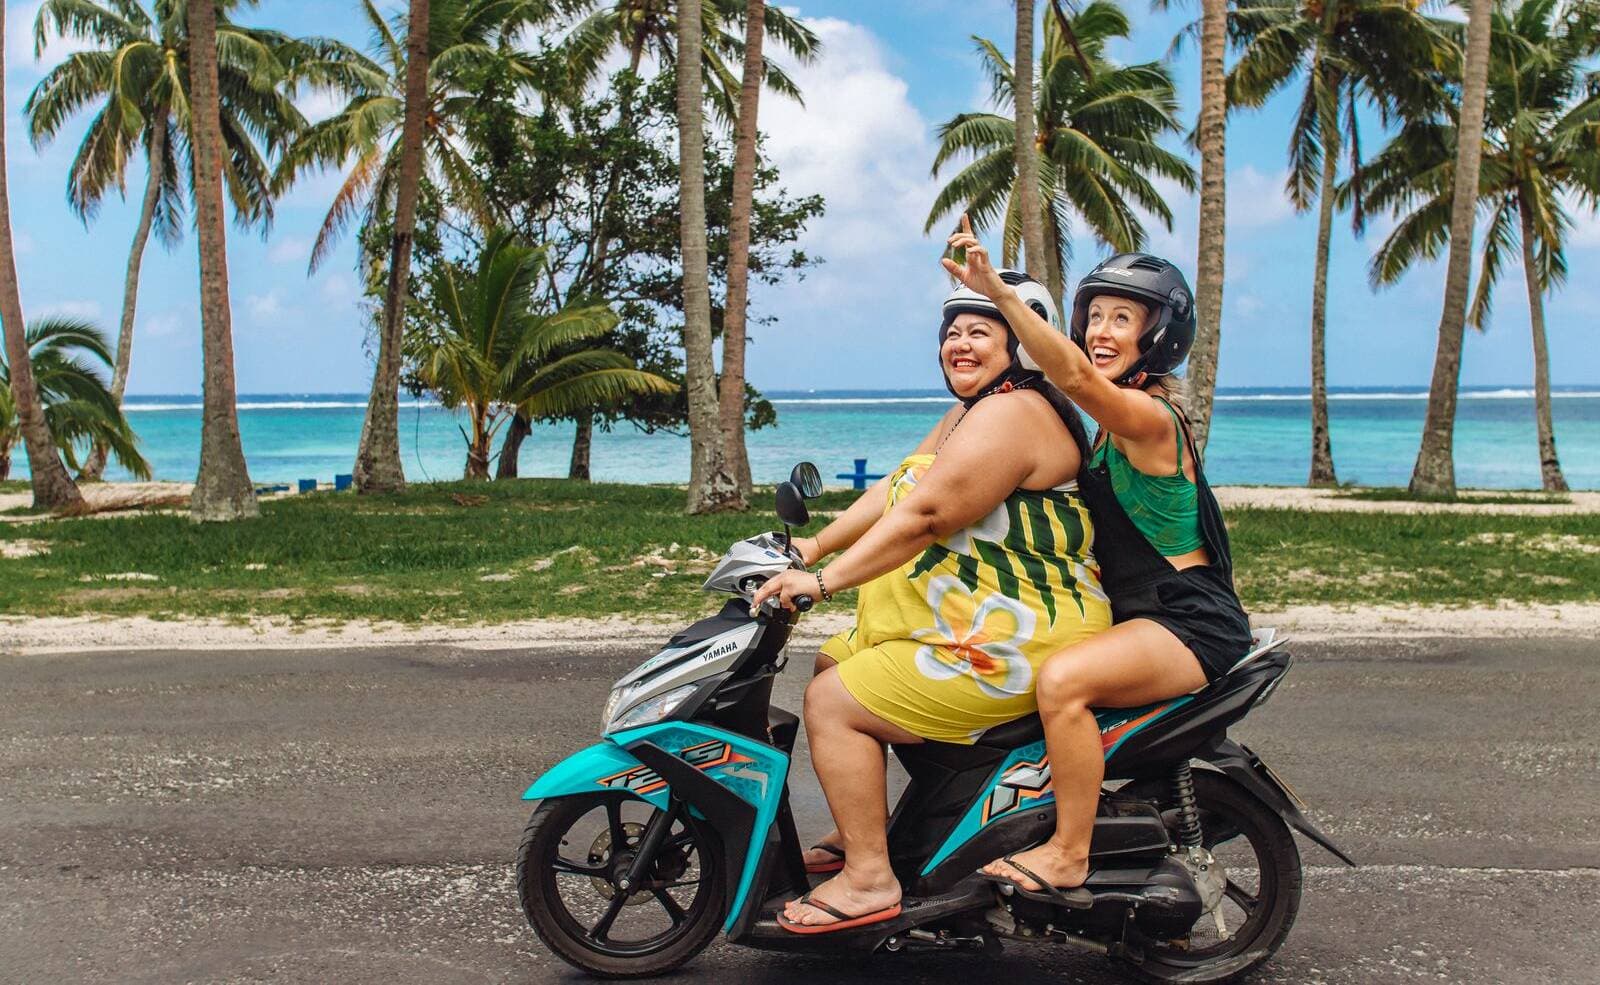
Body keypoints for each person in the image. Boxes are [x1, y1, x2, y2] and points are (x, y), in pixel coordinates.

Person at [750, 271, 1112, 933]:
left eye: (981, 331)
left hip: (1019, 635)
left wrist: (824, 583)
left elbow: (928, 516)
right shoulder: (977, 409)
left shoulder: (1017, 413)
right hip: (975, 617)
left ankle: (869, 879)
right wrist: (813, 547)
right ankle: (867, 831)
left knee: (833, 703)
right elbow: (901, 485)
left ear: (1021, 343)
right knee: (836, 662)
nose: (960, 344)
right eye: (953, 332)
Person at [940, 215, 1252, 906]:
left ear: (1158, 336)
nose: (1101, 332)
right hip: (1140, 615)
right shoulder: (1110, 425)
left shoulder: (1150, 419)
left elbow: (1075, 375)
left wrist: (999, 294)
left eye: (1123, 319)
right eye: (1095, 317)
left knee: (1063, 682)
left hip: (1187, 622)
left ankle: (1069, 853)